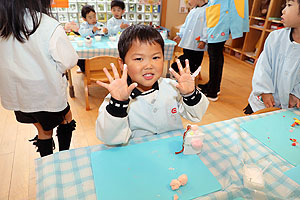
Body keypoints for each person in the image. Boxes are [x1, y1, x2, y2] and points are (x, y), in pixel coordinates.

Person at [95, 25, 209, 145]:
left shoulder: (172, 87)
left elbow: (196, 115)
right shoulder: (116, 98)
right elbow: (109, 138)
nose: (149, 65)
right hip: (137, 154)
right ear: (122, 63)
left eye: (155, 57)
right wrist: (118, 104)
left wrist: (190, 94)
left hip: (172, 150)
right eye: (139, 59)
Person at [0, 0, 78, 157]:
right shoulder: (47, 25)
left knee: (44, 129)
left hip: (18, 97)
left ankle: (48, 165)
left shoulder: (4, 24)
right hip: (44, 94)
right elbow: (68, 61)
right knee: (55, 125)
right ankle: (61, 159)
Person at [244, 0, 300, 114]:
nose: (283, 10)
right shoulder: (275, 37)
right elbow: (263, 66)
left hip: (288, 108)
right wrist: (265, 90)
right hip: (262, 103)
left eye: (289, 5)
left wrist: (296, 93)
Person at [198, 0, 249, 101]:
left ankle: (213, 91)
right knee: (215, 56)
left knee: (214, 56)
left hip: (221, 19)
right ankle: (213, 85)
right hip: (217, 16)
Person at [172, 0, 208, 74]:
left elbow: (206, 27)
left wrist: (204, 40)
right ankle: (175, 69)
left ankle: (191, 76)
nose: (188, 2)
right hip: (188, 42)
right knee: (186, 58)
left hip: (198, 43)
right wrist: (180, 35)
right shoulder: (193, 11)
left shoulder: (207, 10)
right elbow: (185, 25)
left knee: (196, 61)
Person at [77, 5, 109, 73]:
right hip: (88, 46)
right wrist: (92, 31)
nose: (93, 19)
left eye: (94, 16)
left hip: (99, 46)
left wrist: (106, 32)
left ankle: (99, 67)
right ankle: (84, 69)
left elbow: (106, 35)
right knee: (80, 57)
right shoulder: (84, 25)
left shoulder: (100, 25)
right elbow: (82, 33)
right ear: (84, 19)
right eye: (90, 17)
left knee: (103, 56)